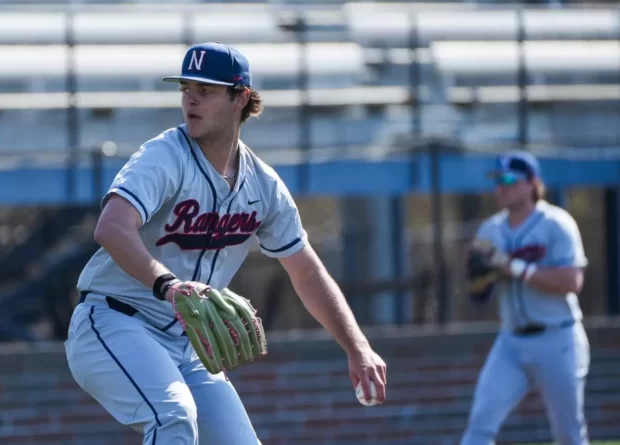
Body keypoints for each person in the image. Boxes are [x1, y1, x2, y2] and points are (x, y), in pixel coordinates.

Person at [64, 41, 388, 445]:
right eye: (186, 88)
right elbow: (111, 228)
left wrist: (357, 347)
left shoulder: (263, 185)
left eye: (207, 90)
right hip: (114, 322)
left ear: (242, 98)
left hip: (187, 344)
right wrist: (169, 286)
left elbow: (306, 271)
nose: (191, 100)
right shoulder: (164, 157)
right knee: (173, 418)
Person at [461, 150, 590, 445]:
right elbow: (478, 295)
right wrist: (478, 276)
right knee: (479, 426)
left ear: (532, 183)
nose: (501, 187)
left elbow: (572, 281)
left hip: (558, 339)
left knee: (568, 435)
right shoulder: (491, 229)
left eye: (509, 179)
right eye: (497, 180)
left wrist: (512, 267)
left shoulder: (556, 223)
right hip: (511, 342)